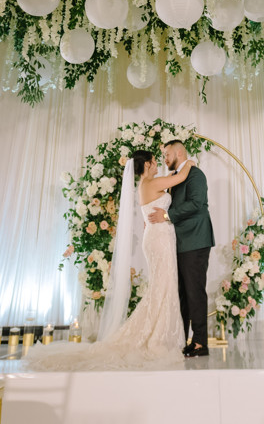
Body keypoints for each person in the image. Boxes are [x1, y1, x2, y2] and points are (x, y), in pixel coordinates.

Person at [23, 150, 194, 370]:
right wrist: (189, 162)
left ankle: (159, 333)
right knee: (164, 286)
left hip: (157, 236)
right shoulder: (152, 182)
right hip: (159, 238)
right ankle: (158, 338)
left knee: (162, 287)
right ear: (147, 165)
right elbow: (180, 178)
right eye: (153, 161)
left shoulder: (145, 186)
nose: (156, 164)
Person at [147, 139, 214, 358]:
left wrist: (166, 215)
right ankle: (183, 338)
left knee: (195, 292)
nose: (165, 159)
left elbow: (197, 203)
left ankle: (200, 343)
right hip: (180, 242)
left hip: (195, 241)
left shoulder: (195, 175)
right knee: (183, 295)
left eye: (166, 154)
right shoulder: (178, 177)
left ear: (178, 152)